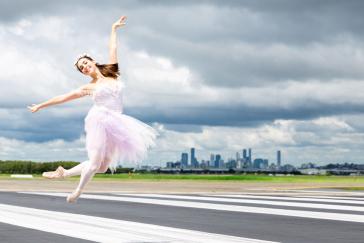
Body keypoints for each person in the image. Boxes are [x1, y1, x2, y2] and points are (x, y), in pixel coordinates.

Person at [27, 16, 159, 203]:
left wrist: (113, 29)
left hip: (118, 122)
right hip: (100, 121)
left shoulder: (112, 72)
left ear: (93, 61)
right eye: (82, 68)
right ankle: (78, 190)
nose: (85, 68)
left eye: (86, 63)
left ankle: (63, 173)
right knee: (95, 163)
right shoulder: (88, 87)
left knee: (103, 167)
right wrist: (41, 105)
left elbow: (113, 49)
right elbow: (64, 97)